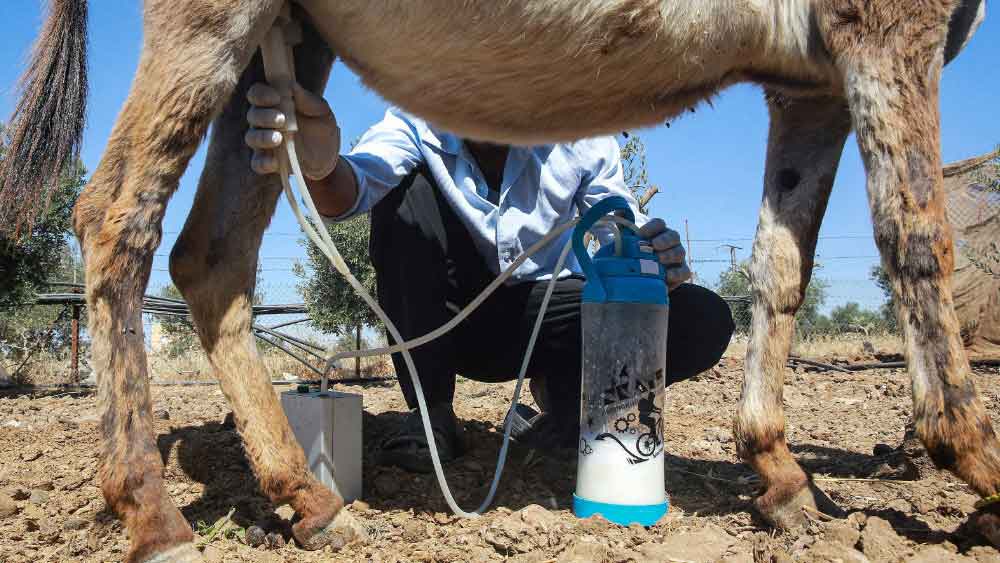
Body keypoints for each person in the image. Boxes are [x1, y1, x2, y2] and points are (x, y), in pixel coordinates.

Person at [245, 83, 735, 473]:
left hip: (551, 321)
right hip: (451, 328)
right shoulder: (418, 121)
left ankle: (572, 415)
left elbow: (616, 232)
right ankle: (432, 417)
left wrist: (648, 265)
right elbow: (348, 192)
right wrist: (321, 166)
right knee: (403, 192)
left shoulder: (583, 135)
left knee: (700, 317)